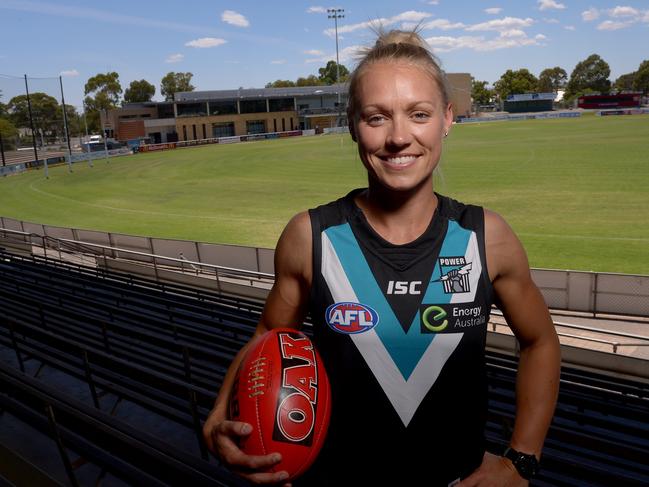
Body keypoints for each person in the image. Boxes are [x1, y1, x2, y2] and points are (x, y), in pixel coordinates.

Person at [203, 29, 560, 487]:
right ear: (353, 124)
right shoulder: (310, 237)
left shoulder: (487, 237)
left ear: (447, 119)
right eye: (376, 118)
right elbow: (269, 338)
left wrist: (522, 459)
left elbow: (541, 342)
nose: (398, 137)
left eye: (419, 114)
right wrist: (218, 412)